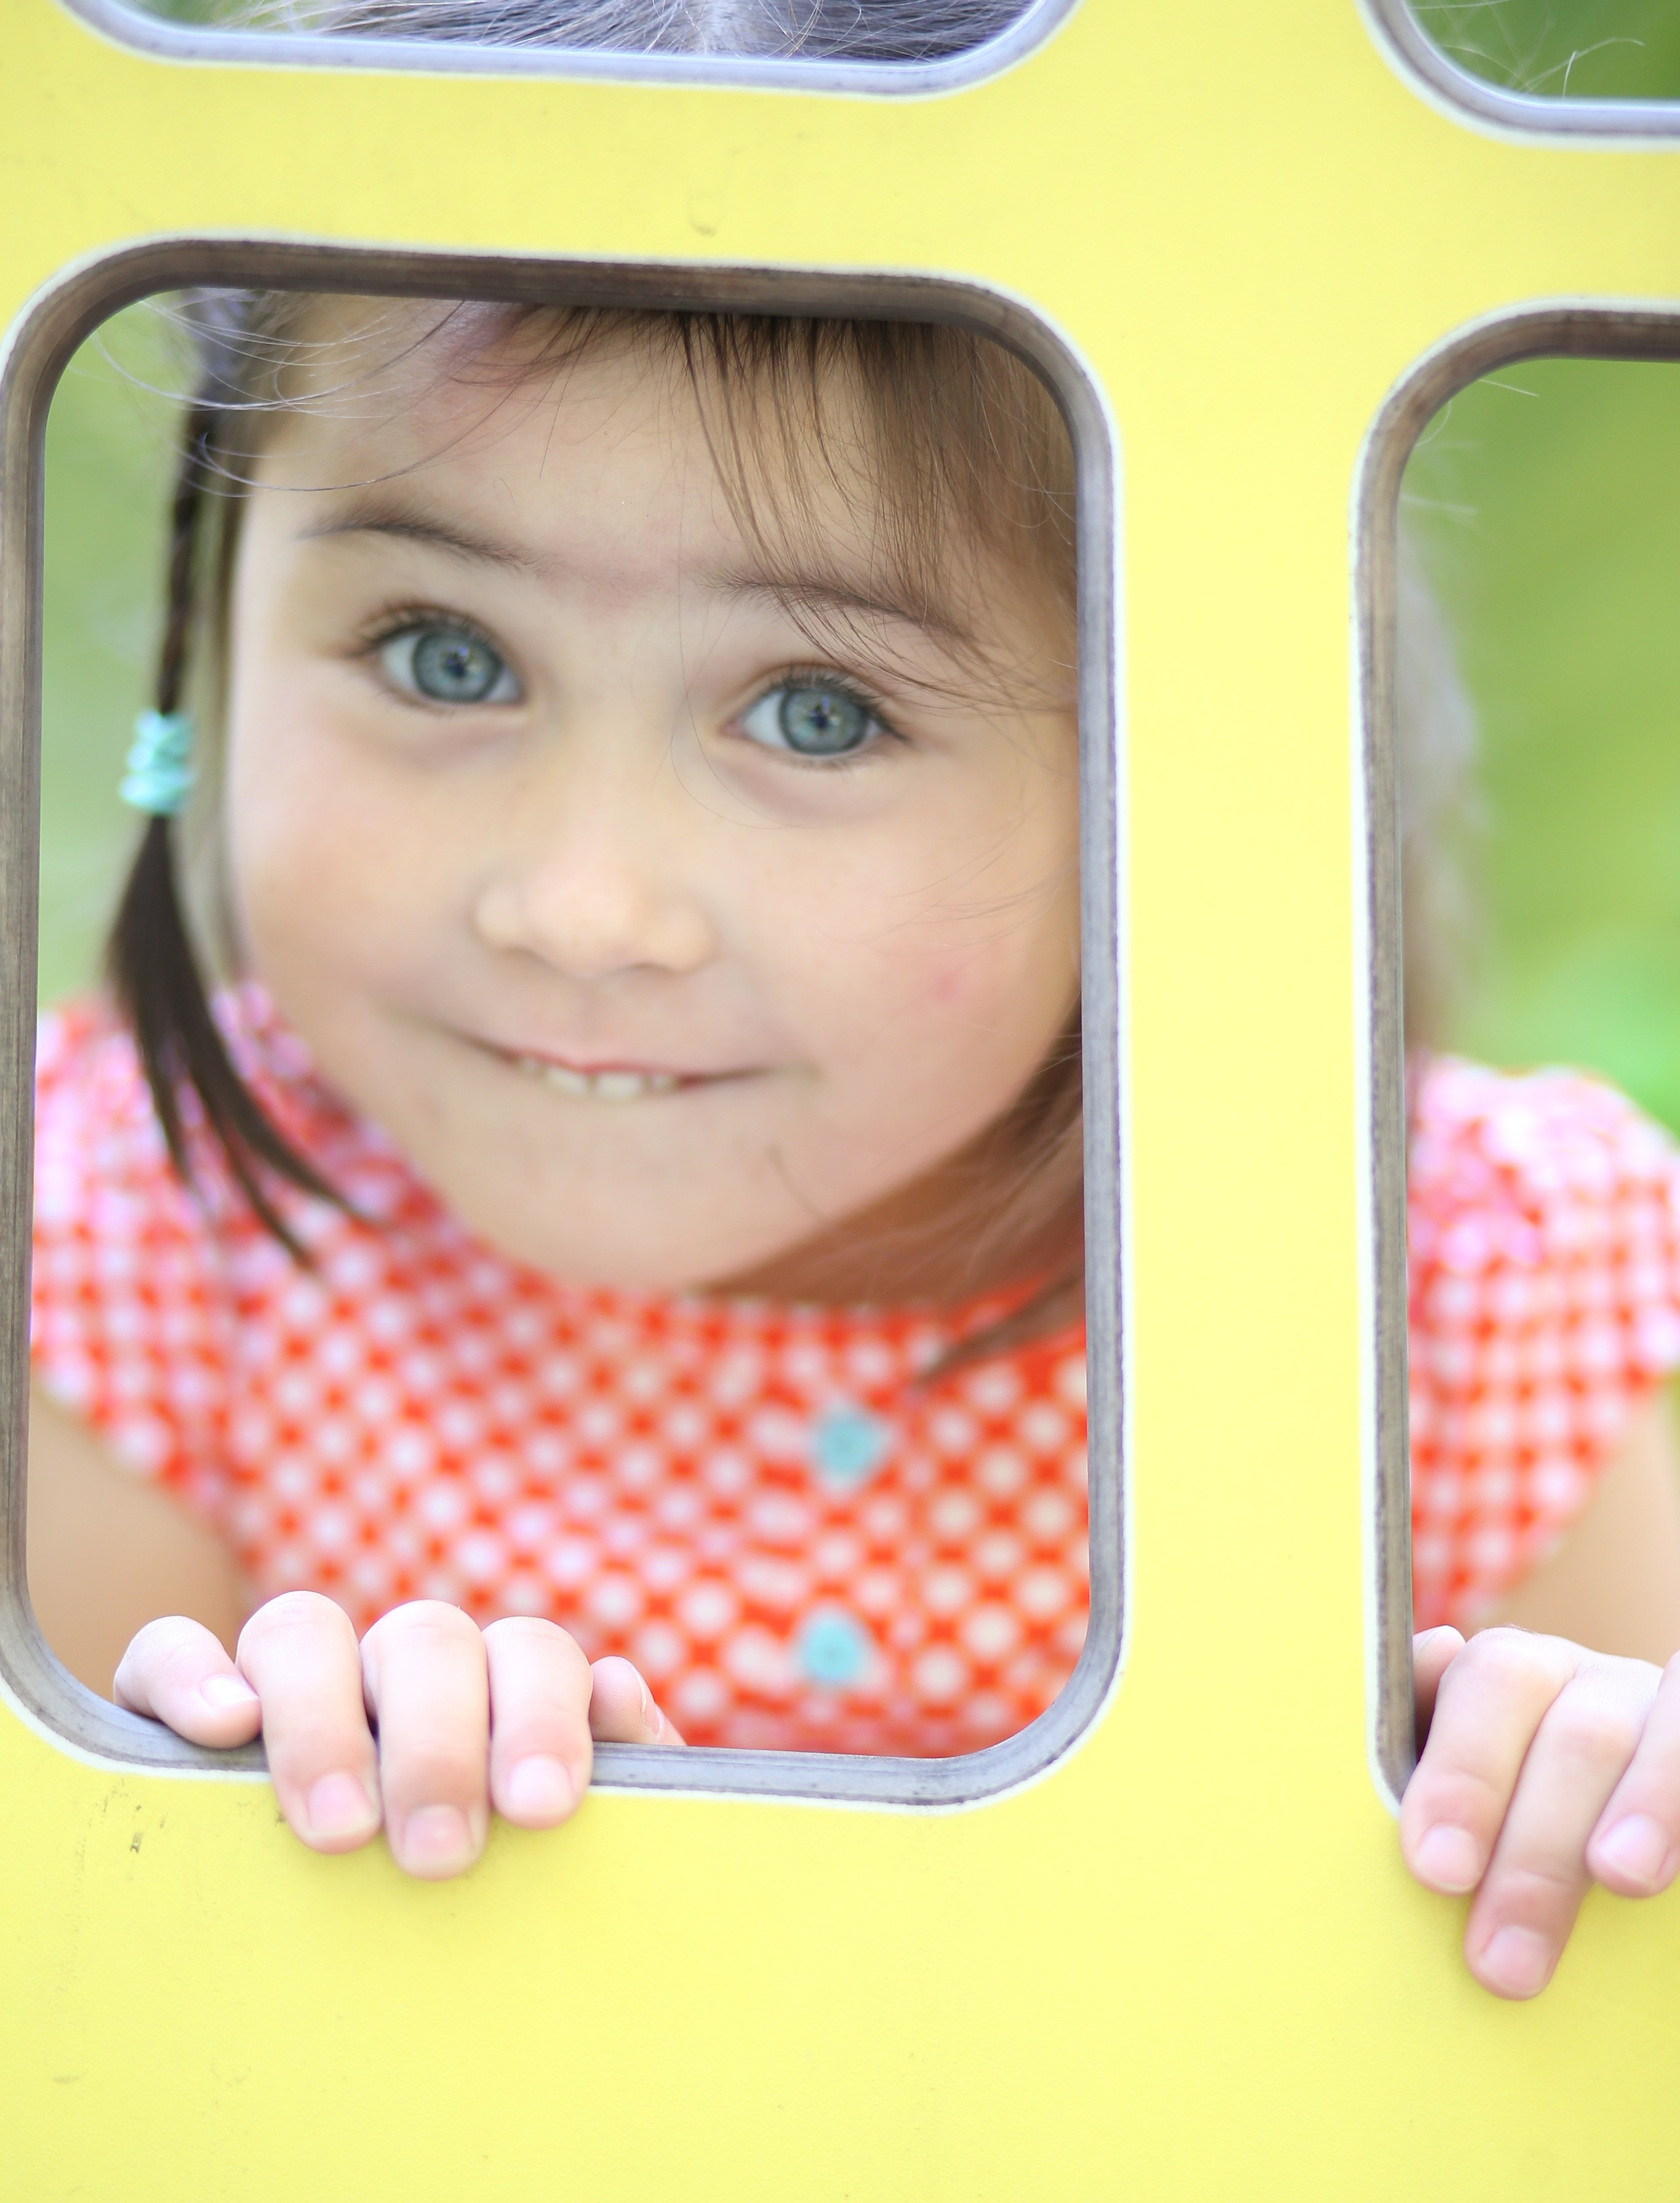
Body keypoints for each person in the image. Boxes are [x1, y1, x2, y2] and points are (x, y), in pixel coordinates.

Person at [26, 11, 1680, 2002]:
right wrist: (264, 1808)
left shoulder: (1465, 1299)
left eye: (819, 712)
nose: (583, 906)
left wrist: (1598, 1772)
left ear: (1187, 744)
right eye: (444, 654)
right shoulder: (128, 1237)